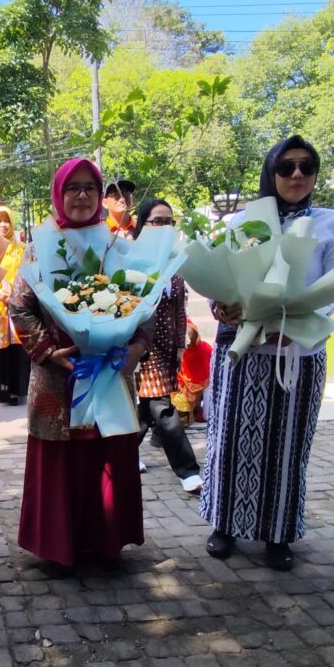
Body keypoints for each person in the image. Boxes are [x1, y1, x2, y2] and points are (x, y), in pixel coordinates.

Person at [200, 135, 334, 570]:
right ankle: (225, 524)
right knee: (232, 440)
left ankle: (278, 533)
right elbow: (222, 277)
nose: (297, 175)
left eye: (307, 166)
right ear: (271, 172)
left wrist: (298, 323)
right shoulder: (245, 221)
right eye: (286, 167)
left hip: (297, 355)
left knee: (288, 446)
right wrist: (222, 306)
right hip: (244, 352)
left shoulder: (332, 223)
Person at [10, 158, 150, 575]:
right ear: (59, 193)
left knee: (107, 453)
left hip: (109, 371)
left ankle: (105, 543)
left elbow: (146, 305)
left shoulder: (117, 246)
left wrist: (136, 348)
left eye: (91, 187)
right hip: (58, 377)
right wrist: (50, 350)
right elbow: (19, 307)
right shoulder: (40, 246)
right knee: (60, 460)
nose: (83, 195)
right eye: (73, 187)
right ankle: (59, 548)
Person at [133, 198, 202, 494]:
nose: (164, 226)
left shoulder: (174, 262)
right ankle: (189, 471)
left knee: (146, 409)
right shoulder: (131, 259)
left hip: (166, 349)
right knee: (162, 409)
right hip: (140, 349)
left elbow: (178, 309)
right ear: (143, 224)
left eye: (169, 221)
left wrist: (180, 346)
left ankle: (122, 453)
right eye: (157, 221)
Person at [0, 206, 30, 406]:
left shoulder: (22, 248)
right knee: (0, 347)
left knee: (19, 345)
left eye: (6, 221)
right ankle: (0, 390)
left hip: (18, 302)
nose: (3, 225)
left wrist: (16, 293)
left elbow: (29, 273)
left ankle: (18, 389)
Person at [171, 320, 212, 427]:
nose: (188, 343)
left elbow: (206, 374)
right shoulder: (178, 351)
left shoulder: (204, 349)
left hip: (196, 389)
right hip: (178, 387)